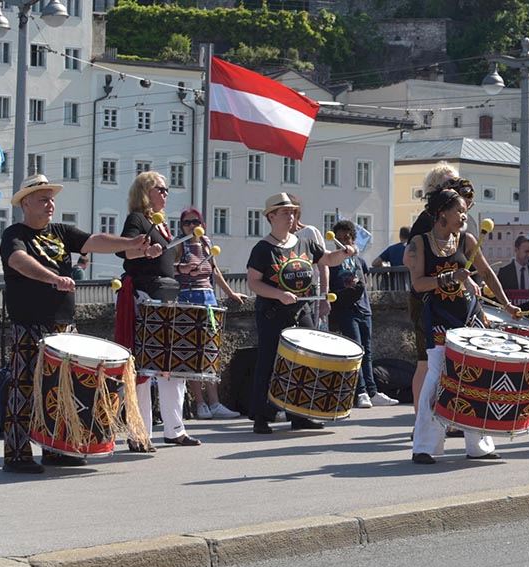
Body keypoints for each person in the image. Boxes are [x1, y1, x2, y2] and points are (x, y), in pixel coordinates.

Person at [0, 174, 160, 473]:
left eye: (51, 199)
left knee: (62, 390)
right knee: (23, 388)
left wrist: (133, 244)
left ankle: (56, 449)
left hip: (63, 325)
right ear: (25, 203)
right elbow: (19, 261)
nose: (51, 204)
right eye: (43, 199)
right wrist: (53, 277)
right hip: (29, 324)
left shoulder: (61, 231)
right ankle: (17, 453)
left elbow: (95, 240)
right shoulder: (14, 234)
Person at [407, 189, 518, 463]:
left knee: (476, 378)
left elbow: (488, 274)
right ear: (442, 212)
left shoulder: (467, 240)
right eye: (458, 210)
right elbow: (418, 284)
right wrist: (450, 277)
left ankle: (478, 446)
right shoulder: (420, 243)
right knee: (435, 379)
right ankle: (425, 446)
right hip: (438, 318)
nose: (463, 215)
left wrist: (506, 304)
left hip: (470, 316)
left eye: (464, 210)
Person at [246, 193, 358, 435]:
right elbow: (253, 283)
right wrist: (278, 294)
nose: (291, 216)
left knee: (305, 361)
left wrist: (344, 253)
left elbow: (327, 259)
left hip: (302, 310)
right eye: (285, 212)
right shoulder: (263, 249)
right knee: (268, 362)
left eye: (293, 212)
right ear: (271, 216)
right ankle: (261, 417)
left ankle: (300, 415)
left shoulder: (303, 242)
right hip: (273, 313)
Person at [114, 171, 200, 448]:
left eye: (166, 189)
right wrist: (143, 251)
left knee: (171, 365)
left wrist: (178, 268)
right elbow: (126, 252)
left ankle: (175, 428)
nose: (166, 193)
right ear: (146, 191)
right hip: (144, 297)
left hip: (166, 296)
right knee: (143, 366)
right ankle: (140, 433)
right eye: (161, 189)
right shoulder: (137, 219)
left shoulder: (161, 225)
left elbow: (157, 261)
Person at [403, 164, 470, 427]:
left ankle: (445, 416)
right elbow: (409, 257)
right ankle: (421, 419)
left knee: (447, 362)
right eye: (450, 183)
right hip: (428, 299)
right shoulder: (426, 219)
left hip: (450, 298)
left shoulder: (457, 217)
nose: (457, 186)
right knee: (425, 362)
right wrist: (439, 277)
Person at [173, 207, 246, 420]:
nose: (191, 226)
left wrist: (231, 293)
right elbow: (170, 268)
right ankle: (200, 403)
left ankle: (215, 403)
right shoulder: (179, 244)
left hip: (208, 298)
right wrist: (183, 269)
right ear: (181, 226)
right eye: (187, 222)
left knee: (210, 352)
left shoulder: (206, 243)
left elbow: (215, 271)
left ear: (202, 224)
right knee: (193, 353)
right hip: (188, 298)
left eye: (195, 221)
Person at [329, 219, 400, 409]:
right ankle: (360, 392)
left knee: (367, 351)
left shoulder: (359, 260)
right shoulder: (333, 262)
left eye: (347, 238)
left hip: (364, 309)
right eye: (340, 239)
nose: (344, 242)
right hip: (345, 310)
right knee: (356, 350)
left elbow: (365, 280)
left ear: (353, 239)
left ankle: (372, 391)